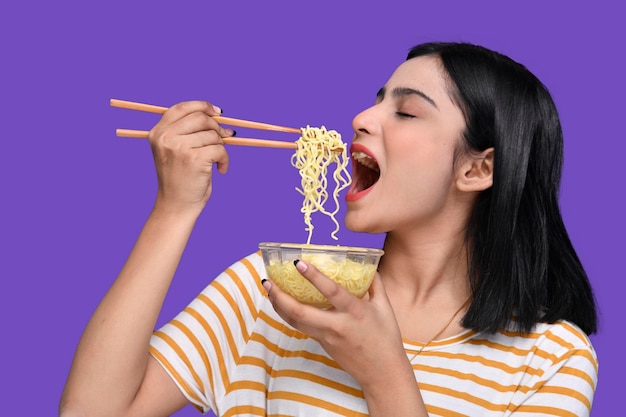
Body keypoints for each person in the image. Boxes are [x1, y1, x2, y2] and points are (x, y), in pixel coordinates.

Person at [59, 42, 598, 417]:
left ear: (476, 169)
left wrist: (383, 372)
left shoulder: (550, 360)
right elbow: (89, 410)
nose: (363, 117)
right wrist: (175, 208)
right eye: (377, 98)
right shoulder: (275, 288)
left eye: (406, 113)